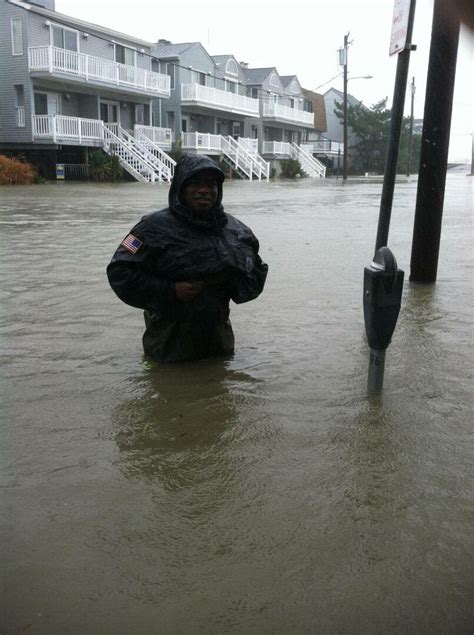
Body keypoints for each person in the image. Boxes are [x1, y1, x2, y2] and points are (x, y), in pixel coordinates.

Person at [107, 154, 268, 362]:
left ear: (219, 190)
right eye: (195, 184)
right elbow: (120, 271)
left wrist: (232, 279)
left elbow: (256, 270)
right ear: (181, 187)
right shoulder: (148, 229)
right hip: (168, 346)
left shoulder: (236, 230)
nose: (204, 190)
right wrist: (171, 290)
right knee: (166, 390)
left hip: (218, 343)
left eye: (211, 184)